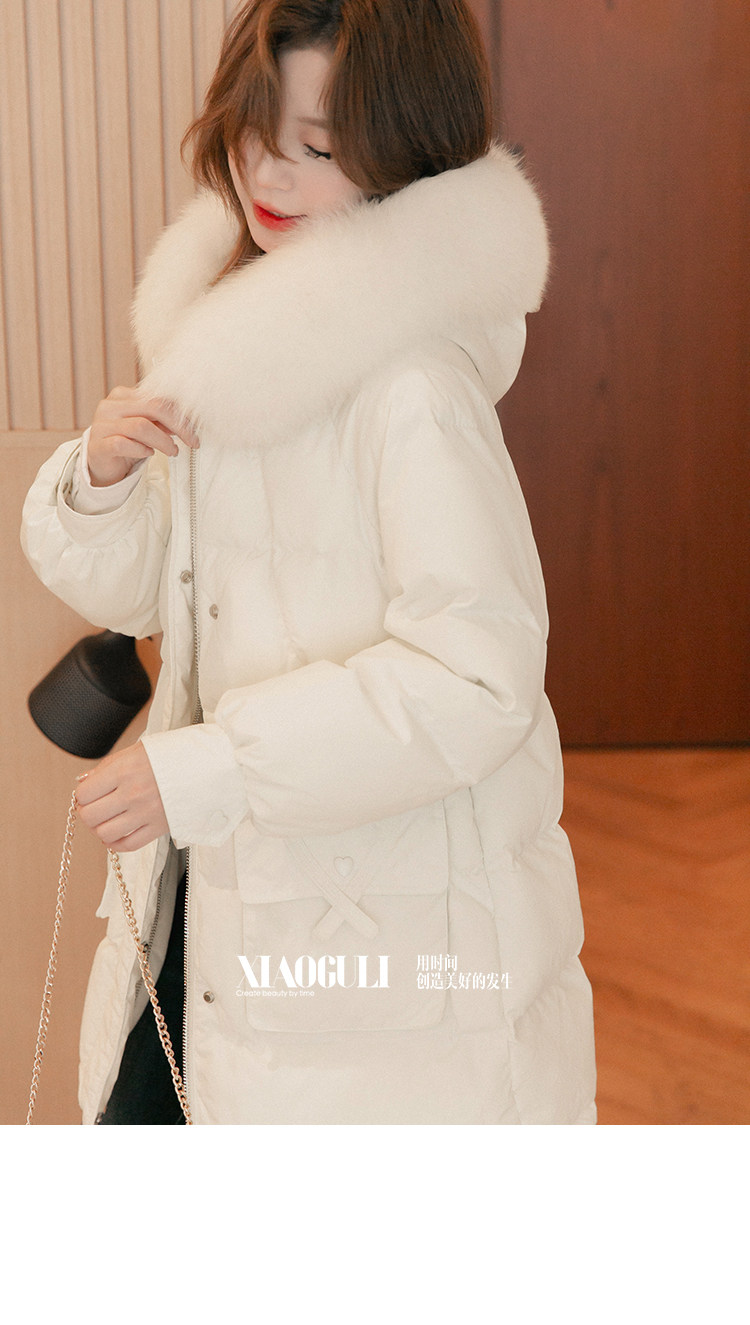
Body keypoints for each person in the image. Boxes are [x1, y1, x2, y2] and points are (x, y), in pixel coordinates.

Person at [21, 0, 597, 1125]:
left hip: (377, 941)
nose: (268, 173)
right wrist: (101, 480)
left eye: (320, 149)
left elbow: (478, 677)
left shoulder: (410, 389)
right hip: (229, 893)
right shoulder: (237, 342)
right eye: (254, 130)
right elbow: (168, 596)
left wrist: (213, 768)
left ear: (402, 155)